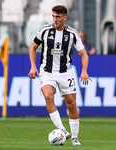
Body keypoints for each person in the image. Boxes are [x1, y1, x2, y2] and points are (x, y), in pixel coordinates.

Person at [28, 5, 92, 146]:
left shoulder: (72, 34)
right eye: (53, 16)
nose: (55, 19)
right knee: (48, 96)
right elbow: (33, 48)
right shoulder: (45, 31)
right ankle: (63, 130)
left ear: (64, 17)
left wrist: (84, 71)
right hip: (47, 71)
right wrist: (33, 66)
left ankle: (74, 138)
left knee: (72, 104)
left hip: (65, 72)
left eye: (58, 17)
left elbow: (84, 54)